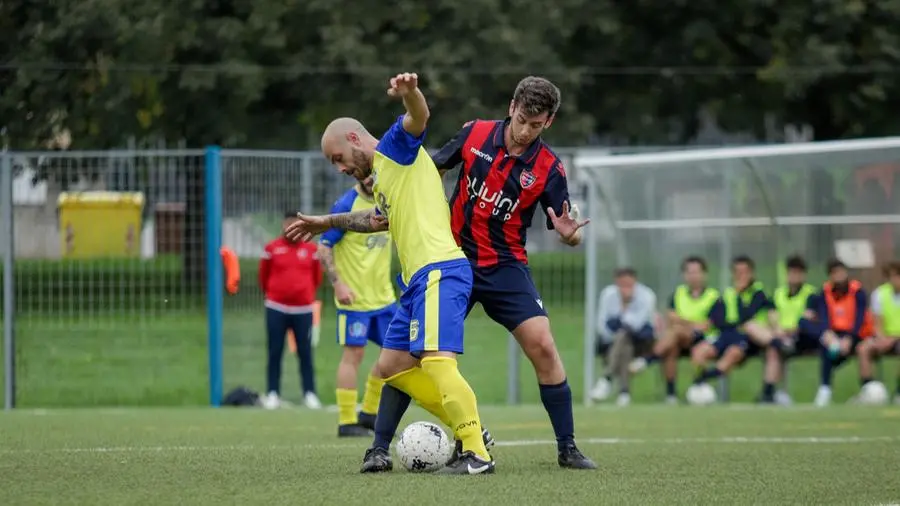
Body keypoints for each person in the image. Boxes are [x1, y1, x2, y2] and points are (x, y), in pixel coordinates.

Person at [363, 75, 596, 470]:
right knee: (409, 355)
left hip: (505, 265)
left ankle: (568, 448)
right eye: (522, 119)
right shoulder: (475, 134)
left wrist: (569, 238)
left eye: (536, 125)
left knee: (542, 344)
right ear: (511, 107)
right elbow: (430, 168)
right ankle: (378, 448)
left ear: (548, 123)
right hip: (453, 258)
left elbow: (566, 224)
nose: (525, 131)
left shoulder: (549, 168)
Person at [286, 72, 494, 475]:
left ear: (354, 140)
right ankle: (470, 432)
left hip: (440, 269)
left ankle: (476, 454)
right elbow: (376, 219)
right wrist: (326, 222)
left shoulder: (394, 149)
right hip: (417, 282)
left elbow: (418, 117)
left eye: (337, 159)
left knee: (436, 363)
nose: (339, 168)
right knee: (392, 367)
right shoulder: (384, 179)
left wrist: (410, 93)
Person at [318, 177, 397, 437]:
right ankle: (346, 421)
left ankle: (369, 414)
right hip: (354, 301)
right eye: (364, 173)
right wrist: (338, 284)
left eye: (374, 171)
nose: (370, 178)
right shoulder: (346, 204)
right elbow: (324, 246)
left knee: (396, 355)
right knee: (354, 356)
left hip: (385, 299)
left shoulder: (388, 199)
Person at [629, 256, 718, 404]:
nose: (693, 276)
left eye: (696, 272)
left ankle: (647, 359)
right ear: (684, 275)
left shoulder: (713, 296)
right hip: (679, 339)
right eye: (689, 272)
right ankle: (671, 395)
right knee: (671, 347)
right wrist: (692, 323)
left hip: (704, 340)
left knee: (675, 332)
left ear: (704, 274)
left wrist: (683, 322)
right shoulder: (678, 294)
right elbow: (670, 318)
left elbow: (707, 325)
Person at [258, 212, 323, 410]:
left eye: (295, 225)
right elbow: (263, 277)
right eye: (288, 224)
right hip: (276, 308)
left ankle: (309, 394)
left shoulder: (311, 250)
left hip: (303, 310)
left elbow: (317, 278)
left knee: (305, 352)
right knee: (275, 351)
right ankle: (272, 394)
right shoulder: (272, 248)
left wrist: (303, 294)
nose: (291, 228)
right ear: (283, 225)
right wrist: (275, 294)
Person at [690, 256, 774, 387]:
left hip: (747, 338)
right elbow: (714, 317)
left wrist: (739, 294)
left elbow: (746, 317)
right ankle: (699, 385)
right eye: (737, 272)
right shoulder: (728, 293)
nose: (741, 276)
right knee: (699, 351)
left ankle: (703, 379)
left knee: (733, 353)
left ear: (751, 274)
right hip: (725, 334)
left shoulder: (758, 293)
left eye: (744, 272)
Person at [805, 259, 873, 407]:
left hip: (855, 334)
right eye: (835, 273)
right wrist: (828, 334)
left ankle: (867, 388)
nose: (839, 276)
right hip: (835, 335)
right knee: (826, 346)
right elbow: (824, 316)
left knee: (861, 349)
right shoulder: (825, 292)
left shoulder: (858, 292)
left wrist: (849, 338)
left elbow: (859, 318)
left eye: (841, 272)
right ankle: (825, 388)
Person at [591, 267, 657, 406]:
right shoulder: (608, 295)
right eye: (622, 285)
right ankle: (624, 392)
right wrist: (616, 335)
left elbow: (637, 325)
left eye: (629, 285)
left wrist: (624, 309)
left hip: (642, 341)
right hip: (616, 341)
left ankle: (607, 378)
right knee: (624, 346)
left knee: (623, 336)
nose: (625, 289)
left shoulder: (646, 296)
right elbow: (602, 325)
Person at [763, 255, 817, 405]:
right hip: (781, 336)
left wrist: (789, 332)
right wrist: (778, 331)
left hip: (802, 338)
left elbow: (808, 319)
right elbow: (772, 316)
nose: (794, 276)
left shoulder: (810, 294)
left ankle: (770, 392)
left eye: (798, 273)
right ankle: (769, 392)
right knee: (774, 347)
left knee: (777, 346)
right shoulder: (778, 294)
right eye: (791, 272)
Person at [858, 260, 900, 404]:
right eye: (894, 276)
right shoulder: (880, 294)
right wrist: (881, 339)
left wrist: (893, 339)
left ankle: (899, 393)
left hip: (897, 338)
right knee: (863, 349)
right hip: (884, 337)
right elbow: (877, 323)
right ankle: (867, 390)